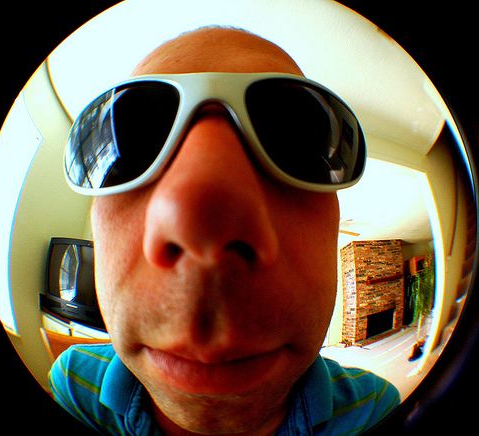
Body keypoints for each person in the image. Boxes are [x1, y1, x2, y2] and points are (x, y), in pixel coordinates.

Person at [49, 26, 400, 435]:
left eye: (298, 146)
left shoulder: (376, 410)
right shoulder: (72, 386)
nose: (199, 222)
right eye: (133, 145)